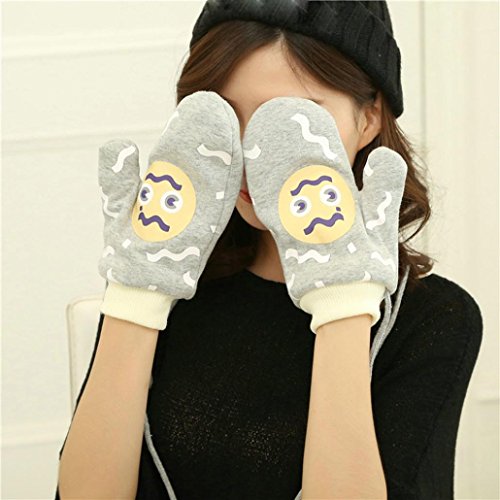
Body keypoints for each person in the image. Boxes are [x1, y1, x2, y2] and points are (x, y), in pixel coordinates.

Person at [55, 1, 483, 499]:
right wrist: (138, 289)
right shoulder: (168, 281)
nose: (249, 150)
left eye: (291, 119)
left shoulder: (434, 319)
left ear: (368, 119)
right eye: (224, 116)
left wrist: (342, 298)